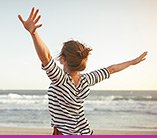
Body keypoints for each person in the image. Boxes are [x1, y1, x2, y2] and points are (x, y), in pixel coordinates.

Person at [18, 7, 147, 135]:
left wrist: (33, 33)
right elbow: (111, 69)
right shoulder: (87, 80)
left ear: (63, 59)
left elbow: (46, 58)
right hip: (85, 132)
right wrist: (132, 62)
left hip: (65, 133)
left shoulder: (60, 79)